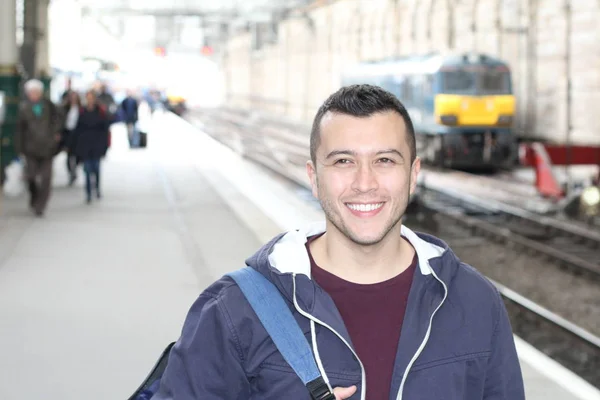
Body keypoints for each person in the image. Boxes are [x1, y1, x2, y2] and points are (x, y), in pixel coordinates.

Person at [153, 85, 525, 400]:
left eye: (385, 160)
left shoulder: (474, 302)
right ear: (314, 178)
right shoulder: (235, 311)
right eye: (344, 161)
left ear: (413, 176)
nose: (365, 183)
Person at [15, 79, 62, 217]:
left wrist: (55, 133)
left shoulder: (48, 105)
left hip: (47, 148)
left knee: (46, 178)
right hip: (30, 148)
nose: (34, 94)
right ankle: (34, 198)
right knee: (31, 177)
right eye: (31, 92)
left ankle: (40, 205)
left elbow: (59, 118)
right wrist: (19, 148)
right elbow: (19, 130)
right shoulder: (24, 108)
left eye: (36, 92)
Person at [72, 90, 110, 203]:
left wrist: (104, 146)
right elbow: (78, 129)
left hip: (97, 144)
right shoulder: (82, 111)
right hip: (85, 145)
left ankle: (97, 188)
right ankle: (88, 193)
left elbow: (105, 129)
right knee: (87, 170)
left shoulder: (101, 111)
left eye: (91, 97)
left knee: (96, 168)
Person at [59, 90, 82, 185]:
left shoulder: (81, 109)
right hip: (68, 133)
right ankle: (71, 172)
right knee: (69, 154)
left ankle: (75, 169)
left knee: (77, 154)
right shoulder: (65, 108)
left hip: (78, 133)